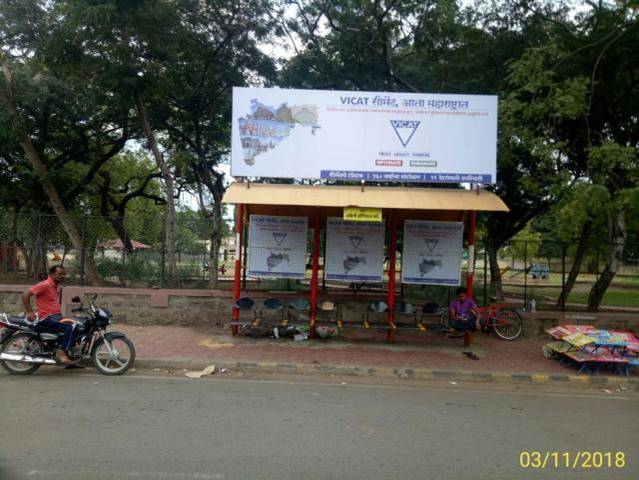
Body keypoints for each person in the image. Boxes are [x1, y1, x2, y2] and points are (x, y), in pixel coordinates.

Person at [22, 265, 75, 364]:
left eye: (64, 274)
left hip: (55, 316)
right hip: (47, 318)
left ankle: (67, 354)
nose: (63, 276)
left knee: (75, 325)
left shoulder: (55, 286)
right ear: (52, 274)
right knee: (69, 327)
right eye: (60, 274)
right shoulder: (44, 284)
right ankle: (61, 353)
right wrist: (30, 312)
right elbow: (25, 295)